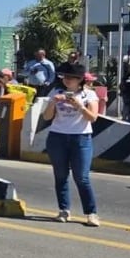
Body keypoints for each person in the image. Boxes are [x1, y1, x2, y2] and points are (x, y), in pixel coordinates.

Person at [42, 63, 100, 226]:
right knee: (60, 175)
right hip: (57, 137)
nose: (67, 80)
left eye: (71, 78)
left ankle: (91, 213)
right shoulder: (56, 92)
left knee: (82, 177)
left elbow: (92, 117)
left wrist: (79, 106)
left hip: (81, 138)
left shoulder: (89, 94)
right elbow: (47, 117)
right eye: (65, 77)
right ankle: (63, 210)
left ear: (79, 80)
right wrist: (53, 102)